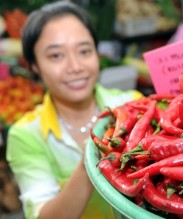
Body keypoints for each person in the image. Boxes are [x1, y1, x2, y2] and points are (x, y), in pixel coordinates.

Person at [5, 1, 143, 219]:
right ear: (34, 66)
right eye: (56, 56)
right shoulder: (26, 134)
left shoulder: (133, 105)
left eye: (84, 51)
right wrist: (91, 161)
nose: (75, 66)